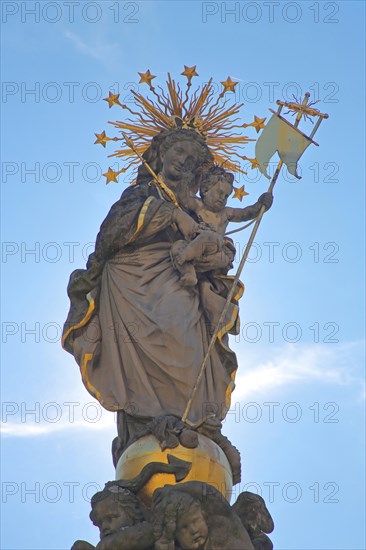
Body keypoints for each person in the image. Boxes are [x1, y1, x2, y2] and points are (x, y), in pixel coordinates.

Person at [62, 128, 269, 456]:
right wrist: (170, 216)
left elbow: (212, 238)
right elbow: (110, 237)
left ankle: (197, 424)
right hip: (132, 282)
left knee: (188, 347)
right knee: (138, 355)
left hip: (181, 286)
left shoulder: (196, 208)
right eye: (180, 153)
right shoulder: (141, 193)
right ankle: (147, 424)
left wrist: (217, 252)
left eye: (193, 159)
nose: (185, 161)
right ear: (161, 155)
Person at [170, 166, 273, 286]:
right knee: (177, 247)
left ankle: (189, 260)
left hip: (213, 247)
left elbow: (245, 213)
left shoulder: (226, 212)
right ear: (205, 190)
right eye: (220, 193)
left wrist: (260, 205)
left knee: (221, 255)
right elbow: (183, 198)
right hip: (194, 244)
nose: (222, 198)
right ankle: (189, 273)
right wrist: (184, 178)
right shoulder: (198, 204)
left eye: (226, 196)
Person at [71, 485, 153, 550]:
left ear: (132, 514)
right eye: (100, 524)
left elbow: (148, 531)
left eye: (111, 518)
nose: (104, 527)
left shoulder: (150, 529)